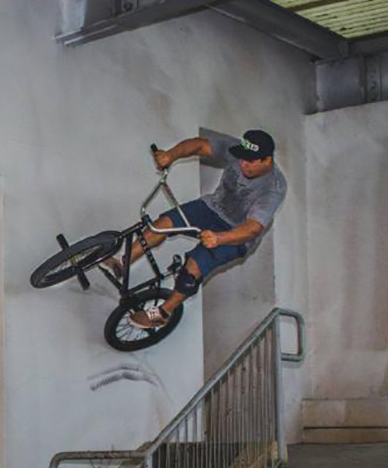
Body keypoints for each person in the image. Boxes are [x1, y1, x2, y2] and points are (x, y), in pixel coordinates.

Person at [105, 129, 287, 328]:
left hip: (237, 233)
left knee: (193, 266)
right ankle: (122, 263)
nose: (243, 164)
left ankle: (163, 313)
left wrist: (219, 238)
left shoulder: (273, 187)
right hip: (211, 208)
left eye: (250, 162)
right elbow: (199, 145)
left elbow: (252, 229)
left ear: (267, 160)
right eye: (242, 159)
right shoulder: (236, 149)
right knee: (162, 224)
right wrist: (170, 155)